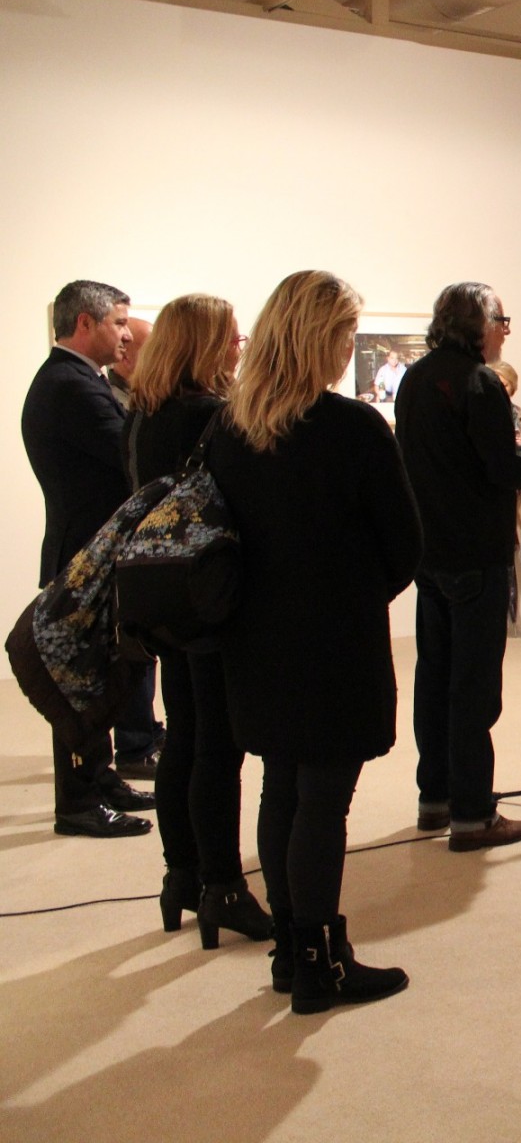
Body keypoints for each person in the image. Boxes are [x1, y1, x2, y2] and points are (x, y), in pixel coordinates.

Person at [208, 269, 420, 1013]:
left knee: (281, 787)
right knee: (324, 801)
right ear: (320, 339)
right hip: (334, 642)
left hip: (255, 642)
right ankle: (320, 965)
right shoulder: (353, 430)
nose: (348, 349)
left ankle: (289, 951)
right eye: (345, 335)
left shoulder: (228, 430)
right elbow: (404, 546)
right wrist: (353, 593)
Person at [125, 294, 273, 946]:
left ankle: (181, 875)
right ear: (207, 345)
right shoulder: (213, 416)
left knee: (184, 735)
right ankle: (223, 885)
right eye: (233, 339)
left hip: (158, 594)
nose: (239, 349)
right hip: (206, 594)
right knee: (217, 743)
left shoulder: (142, 415)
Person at [395, 282, 521, 850]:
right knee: (474, 687)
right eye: (502, 320)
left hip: (429, 554)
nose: (505, 330)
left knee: (434, 678)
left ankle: (435, 799)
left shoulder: (414, 378)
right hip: (475, 556)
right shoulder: (480, 383)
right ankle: (474, 814)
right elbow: (503, 470)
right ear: (477, 324)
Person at [21, 279, 155, 837]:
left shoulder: (75, 381)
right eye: (118, 323)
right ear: (85, 323)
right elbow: (132, 456)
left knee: (97, 674)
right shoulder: (71, 387)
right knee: (80, 683)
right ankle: (78, 803)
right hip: (84, 554)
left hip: (84, 548)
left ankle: (99, 778)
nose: (126, 336)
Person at [108, 314, 168, 776]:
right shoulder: (120, 405)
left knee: (140, 652)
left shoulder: (138, 402)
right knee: (132, 651)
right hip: (127, 543)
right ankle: (135, 743)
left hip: (135, 543)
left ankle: (143, 732)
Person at [488, 359, 521, 639]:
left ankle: (512, 622)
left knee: (512, 556)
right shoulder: (482, 410)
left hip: (516, 493)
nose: (500, 387)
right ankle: (505, 622)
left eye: (505, 383)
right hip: (494, 492)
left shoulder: (516, 413)